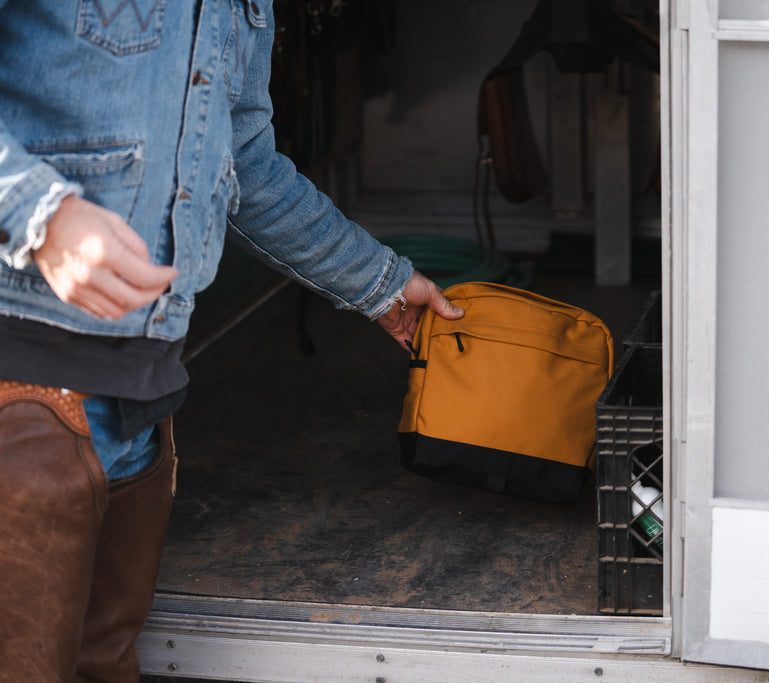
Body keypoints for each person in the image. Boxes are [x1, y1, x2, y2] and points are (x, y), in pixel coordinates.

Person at [0, 2, 463, 680]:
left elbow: (246, 165)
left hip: (138, 407)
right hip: (21, 378)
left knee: (102, 662)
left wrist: (380, 283)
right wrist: (41, 216)